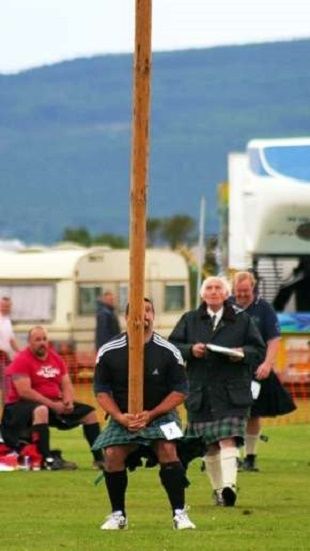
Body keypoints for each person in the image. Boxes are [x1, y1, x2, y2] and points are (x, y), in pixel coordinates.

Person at [93, 298, 195, 531]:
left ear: (154, 316)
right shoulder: (109, 351)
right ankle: (118, 515)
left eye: (148, 311)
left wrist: (152, 414)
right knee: (112, 454)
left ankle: (179, 513)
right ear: (126, 317)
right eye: (138, 312)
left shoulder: (169, 351)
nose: (143, 316)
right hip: (123, 415)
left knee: (168, 449)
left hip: (161, 415)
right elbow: (101, 390)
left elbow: (180, 391)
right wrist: (119, 416)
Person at [169, 276, 265, 507]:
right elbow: (172, 348)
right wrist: (191, 350)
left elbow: (258, 350)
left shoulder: (242, 320)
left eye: (218, 288)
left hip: (232, 391)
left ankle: (229, 487)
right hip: (200, 392)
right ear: (202, 295)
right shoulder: (189, 319)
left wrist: (241, 353)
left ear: (226, 294)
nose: (213, 291)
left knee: (227, 439)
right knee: (208, 445)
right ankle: (220, 491)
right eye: (209, 288)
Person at [1, 326, 104, 470]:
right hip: (19, 408)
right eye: (37, 340)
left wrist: (68, 401)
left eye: (44, 339)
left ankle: (100, 460)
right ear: (29, 342)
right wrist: (52, 405)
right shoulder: (21, 360)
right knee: (41, 410)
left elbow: (66, 383)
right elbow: (25, 391)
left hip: (52, 404)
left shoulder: (55, 358)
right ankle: (46, 459)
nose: (42, 343)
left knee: (90, 413)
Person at [232, 271, 296, 471]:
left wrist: (268, 364)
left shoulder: (264, 308)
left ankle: (250, 457)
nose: (242, 294)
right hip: (230, 368)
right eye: (238, 291)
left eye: (246, 290)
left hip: (256, 368)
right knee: (230, 413)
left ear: (253, 287)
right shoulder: (226, 305)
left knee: (253, 413)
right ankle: (232, 457)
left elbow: (274, 339)